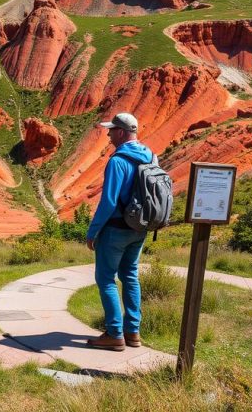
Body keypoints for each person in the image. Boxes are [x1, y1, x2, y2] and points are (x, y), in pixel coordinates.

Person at [84, 112, 154, 351]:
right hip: (140, 228)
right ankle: (133, 332)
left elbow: (109, 201)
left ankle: (114, 333)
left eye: (112, 130)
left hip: (115, 230)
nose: (108, 134)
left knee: (105, 279)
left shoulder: (118, 161)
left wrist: (93, 232)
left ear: (122, 133)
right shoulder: (151, 156)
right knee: (130, 276)